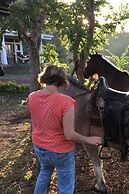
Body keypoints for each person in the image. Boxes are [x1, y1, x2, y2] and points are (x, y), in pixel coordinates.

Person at [26, 65, 102, 194]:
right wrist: (88, 139)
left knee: (44, 173)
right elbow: (69, 135)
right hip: (60, 151)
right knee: (66, 187)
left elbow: (30, 115)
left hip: (39, 147)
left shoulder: (32, 97)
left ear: (44, 78)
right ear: (62, 81)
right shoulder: (66, 102)